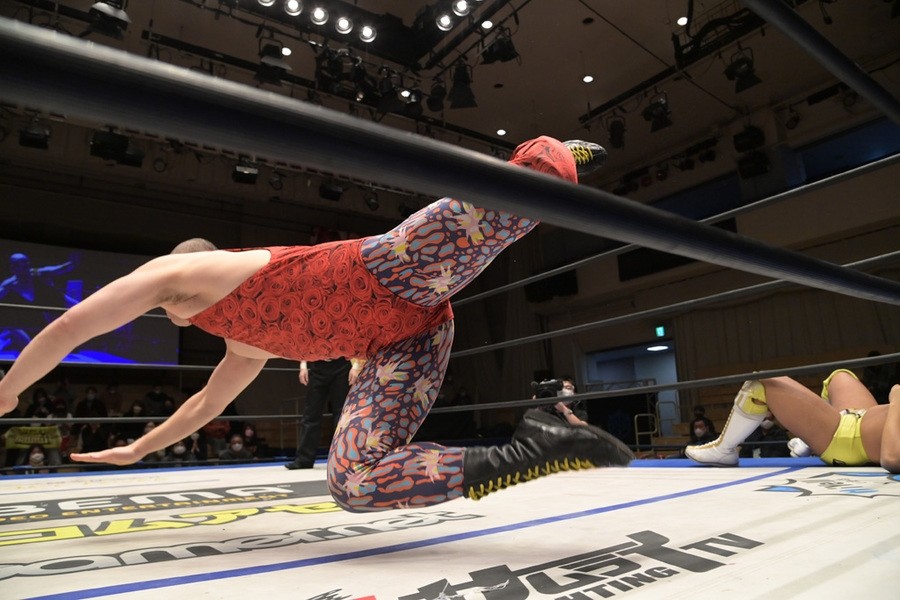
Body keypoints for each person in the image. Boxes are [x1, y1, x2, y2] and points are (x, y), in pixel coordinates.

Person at [0, 137, 633, 511]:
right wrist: (138, 449)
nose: (171, 320)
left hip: (388, 268)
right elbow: (203, 406)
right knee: (352, 483)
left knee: (514, 200)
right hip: (408, 341)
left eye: (166, 310)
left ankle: (553, 154)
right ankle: (532, 448)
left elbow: (73, 326)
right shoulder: (243, 345)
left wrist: (9, 388)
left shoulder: (184, 273)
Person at [685, 369, 900, 472]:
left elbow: (892, 458)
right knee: (840, 376)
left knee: (763, 383)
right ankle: (811, 440)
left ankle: (724, 450)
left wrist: (897, 399)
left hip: (846, 441)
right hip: (861, 418)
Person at [285, 358, 361, 470]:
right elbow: (306, 346)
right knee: (311, 413)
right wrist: (303, 366)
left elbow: (354, 346)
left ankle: (343, 458)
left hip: (342, 365)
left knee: (341, 415)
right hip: (318, 365)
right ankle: (304, 459)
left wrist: (356, 366)